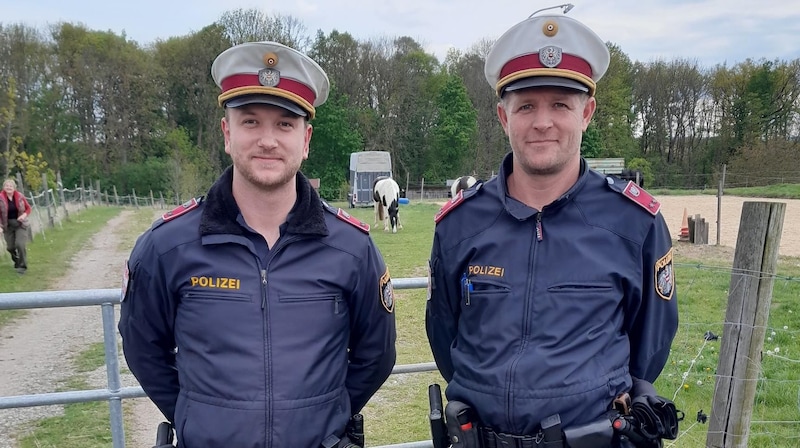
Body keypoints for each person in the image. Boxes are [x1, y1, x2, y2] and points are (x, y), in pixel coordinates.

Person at [119, 41, 397, 448]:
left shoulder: (351, 249)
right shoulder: (167, 247)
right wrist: (199, 417)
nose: (268, 140)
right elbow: (144, 350)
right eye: (250, 122)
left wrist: (326, 417)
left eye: (285, 123)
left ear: (306, 139)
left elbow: (376, 357)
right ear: (227, 133)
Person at [426, 13, 679, 448]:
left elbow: (648, 350)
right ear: (504, 117)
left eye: (561, 104)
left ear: (588, 113)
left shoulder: (635, 223)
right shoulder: (460, 224)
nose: (542, 122)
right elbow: (445, 337)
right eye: (526, 106)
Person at [0, 179, 32, 274]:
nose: (9, 187)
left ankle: (22, 267)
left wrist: (23, 215)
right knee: (10, 247)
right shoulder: (0, 198)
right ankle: (17, 261)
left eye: (11, 186)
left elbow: (28, 208)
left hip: (20, 224)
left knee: (20, 245)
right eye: (7, 185)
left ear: (14, 188)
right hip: (7, 226)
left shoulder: (20, 196)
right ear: (3, 187)